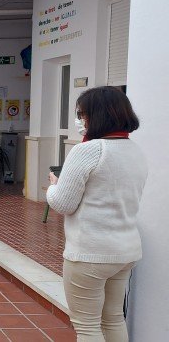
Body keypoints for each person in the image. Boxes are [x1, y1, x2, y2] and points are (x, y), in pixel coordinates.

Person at [47, 86, 145, 341]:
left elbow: (63, 203)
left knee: (87, 326)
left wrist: (52, 186)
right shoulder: (135, 150)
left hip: (90, 253)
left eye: (82, 114)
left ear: (97, 115)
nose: (80, 121)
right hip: (126, 250)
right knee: (113, 318)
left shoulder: (90, 150)